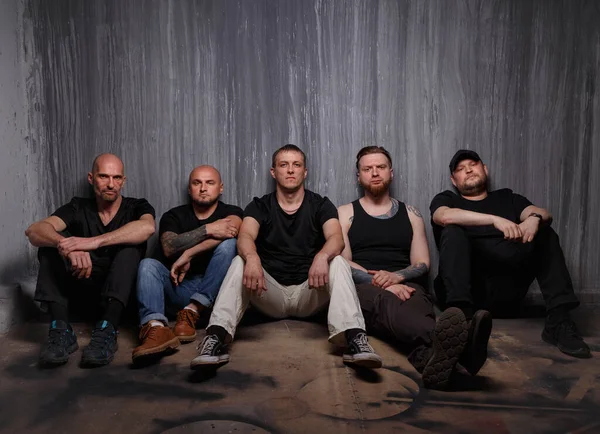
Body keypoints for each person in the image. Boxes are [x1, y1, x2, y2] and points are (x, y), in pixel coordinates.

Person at [191, 144, 383, 370]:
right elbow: (245, 236)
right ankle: (215, 337)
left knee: (337, 261)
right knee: (240, 260)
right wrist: (252, 258)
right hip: (268, 292)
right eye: (284, 165)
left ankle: (355, 339)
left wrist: (322, 256)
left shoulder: (320, 204)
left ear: (305, 172)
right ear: (274, 172)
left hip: (309, 291)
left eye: (296, 165)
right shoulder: (259, 205)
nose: (290, 170)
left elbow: (336, 238)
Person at [339, 146, 484, 389]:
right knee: (386, 303)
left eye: (381, 167)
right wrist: (380, 283)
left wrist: (396, 278)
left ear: (391, 173)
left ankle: (438, 367)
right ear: (359, 176)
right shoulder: (344, 213)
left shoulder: (411, 213)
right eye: (367, 169)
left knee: (414, 314)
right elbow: (343, 262)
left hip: (406, 285)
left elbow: (422, 263)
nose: (375, 173)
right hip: (363, 288)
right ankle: (463, 344)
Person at [430, 149, 591, 359]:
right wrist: (494, 220)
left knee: (545, 231)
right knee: (453, 230)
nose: (468, 170)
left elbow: (544, 213)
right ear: (454, 179)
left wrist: (533, 218)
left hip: (507, 291)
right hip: (465, 294)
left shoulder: (508, 198)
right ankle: (462, 326)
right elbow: (442, 216)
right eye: (460, 169)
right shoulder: (448, 199)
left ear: (485, 169)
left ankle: (559, 321)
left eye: (473, 164)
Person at [25, 153, 156, 367]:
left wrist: (91, 243)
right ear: (91, 178)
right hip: (79, 296)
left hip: (117, 303)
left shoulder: (136, 206)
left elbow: (147, 228)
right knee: (50, 248)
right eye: (103, 177)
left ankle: (107, 330)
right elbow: (34, 230)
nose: (110, 184)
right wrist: (65, 246)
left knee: (131, 247)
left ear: (123, 180)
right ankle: (61, 330)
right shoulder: (78, 207)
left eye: (116, 178)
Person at [132, 165, 242, 362]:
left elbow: (232, 231)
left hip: (217, 295)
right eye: (197, 183)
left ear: (221, 187)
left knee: (230, 245)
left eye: (210, 183)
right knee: (148, 264)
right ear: (190, 188)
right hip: (180, 288)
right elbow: (169, 246)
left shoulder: (232, 211)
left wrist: (188, 254)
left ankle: (193, 310)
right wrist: (208, 229)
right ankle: (156, 329)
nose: (203, 188)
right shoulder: (174, 215)